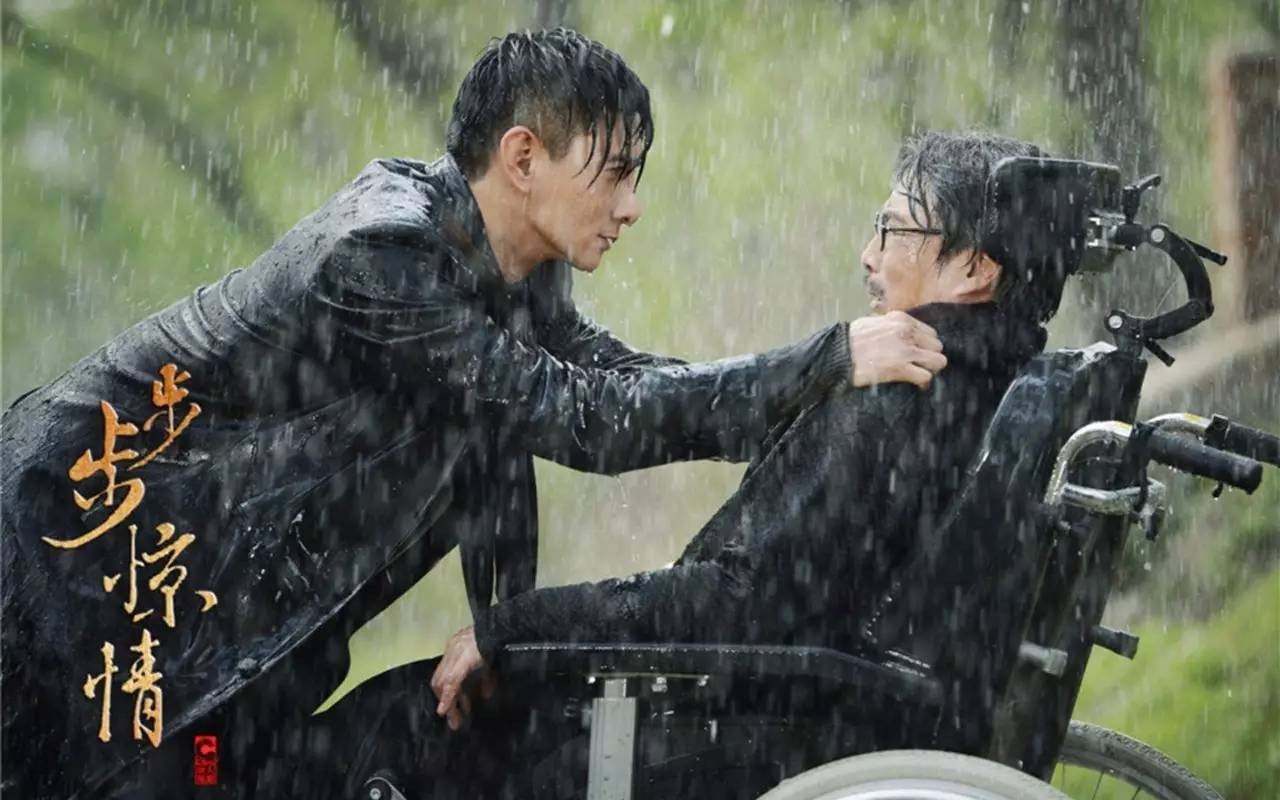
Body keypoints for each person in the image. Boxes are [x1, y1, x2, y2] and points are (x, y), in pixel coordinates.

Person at [0, 28, 946, 799]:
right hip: (74, 539)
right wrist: (827, 358)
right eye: (615, 173)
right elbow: (580, 417)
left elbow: (591, 399)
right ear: (523, 156)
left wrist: (501, 633)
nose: (632, 206)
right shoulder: (385, 256)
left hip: (208, 598)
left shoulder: (514, 273)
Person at [402, 130, 1070, 797]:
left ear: (975, 268)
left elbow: (736, 603)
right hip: (852, 720)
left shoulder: (901, 391)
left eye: (894, 231)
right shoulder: (997, 386)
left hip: (771, 735)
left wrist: (520, 627)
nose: (869, 255)